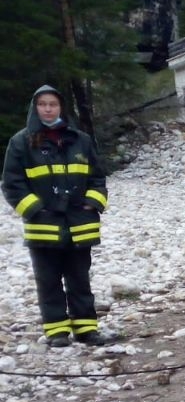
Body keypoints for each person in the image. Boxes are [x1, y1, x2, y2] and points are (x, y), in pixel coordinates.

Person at [2, 86, 108, 347]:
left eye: (53, 104)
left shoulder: (81, 140)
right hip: (43, 227)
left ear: (61, 107)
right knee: (48, 281)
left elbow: (97, 177)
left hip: (79, 225)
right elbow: (12, 184)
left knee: (80, 279)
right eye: (42, 104)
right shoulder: (21, 142)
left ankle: (86, 330)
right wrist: (36, 210)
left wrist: (92, 204)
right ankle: (57, 331)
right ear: (35, 108)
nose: (48, 109)